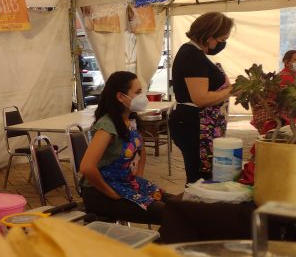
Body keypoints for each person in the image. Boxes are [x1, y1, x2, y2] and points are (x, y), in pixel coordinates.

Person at [79, 71, 165, 225]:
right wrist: (111, 193)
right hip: (101, 193)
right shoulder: (108, 125)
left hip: (125, 183)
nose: (142, 96)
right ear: (120, 97)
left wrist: (137, 177)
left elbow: (141, 152)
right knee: (170, 214)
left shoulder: (130, 119)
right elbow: (87, 167)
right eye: (138, 92)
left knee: (175, 203)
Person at [168, 12, 234, 184]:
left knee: (202, 175)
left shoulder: (196, 54)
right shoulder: (191, 55)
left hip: (198, 123)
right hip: (193, 125)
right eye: (221, 40)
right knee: (199, 178)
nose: (222, 44)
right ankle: (193, 209)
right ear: (208, 35)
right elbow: (201, 98)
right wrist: (232, 90)